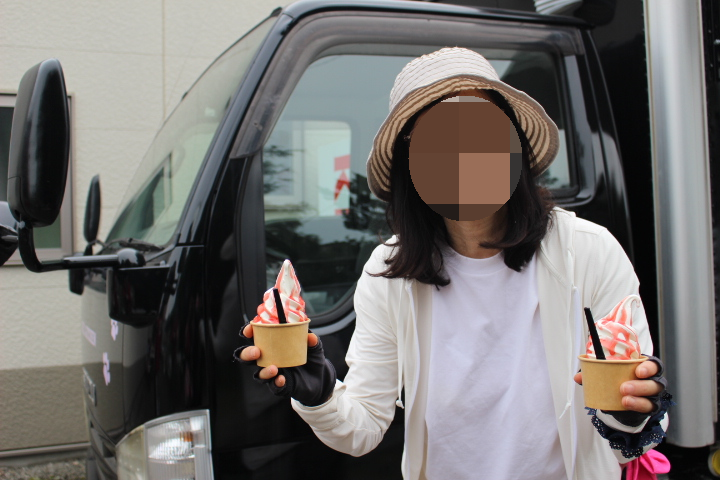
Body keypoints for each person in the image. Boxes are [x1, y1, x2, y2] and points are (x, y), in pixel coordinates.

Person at [236, 47, 671, 480]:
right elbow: (363, 427)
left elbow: (635, 431)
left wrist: (632, 413)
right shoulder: (389, 273)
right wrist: (318, 393)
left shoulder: (588, 252)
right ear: (410, 164)